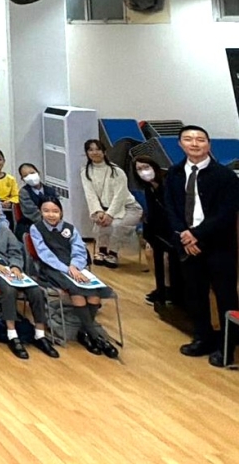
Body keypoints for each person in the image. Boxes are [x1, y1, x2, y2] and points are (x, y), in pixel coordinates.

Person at [162, 125, 239, 367]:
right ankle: (202, 337)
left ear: (209, 144)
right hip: (187, 245)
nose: (194, 144)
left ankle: (227, 347)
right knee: (194, 294)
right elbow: (171, 208)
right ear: (180, 144)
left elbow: (226, 212)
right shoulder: (174, 173)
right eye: (188, 139)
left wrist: (196, 235)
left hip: (218, 245)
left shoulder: (225, 176)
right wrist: (184, 237)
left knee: (226, 296)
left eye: (200, 140)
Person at [0, 194, 58, 359]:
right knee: (8, 290)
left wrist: (15, 266)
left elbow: (16, 251)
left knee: (35, 290)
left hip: (9, 269)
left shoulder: (5, 230)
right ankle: (12, 334)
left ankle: (40, 334)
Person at [28, 198, 120, 359]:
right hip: (52, 268)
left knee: (94, 294)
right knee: (77, 293)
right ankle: (96, 337)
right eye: (46, 211)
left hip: (75, 267)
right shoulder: (36, 228)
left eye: (55, 211)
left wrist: (75, 266)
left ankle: (85, 332)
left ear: (61, 212)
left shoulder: (70, 228)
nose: (51, 215)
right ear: (40, 212)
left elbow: (79, 249)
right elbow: (45, 254)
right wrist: (67, 269)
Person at [79, 139, 142, 268]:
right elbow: (90, 194)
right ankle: (102, 251)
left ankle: (113, 253)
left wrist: (110, 214)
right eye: (91, 150)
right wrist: (99, 212)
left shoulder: (116, 171)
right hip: (105, 209)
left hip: (129, 208)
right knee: (100, 224)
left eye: (98, 149)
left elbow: (120, 196)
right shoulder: (85, 171)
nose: (95, 152)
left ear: (104, 152)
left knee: (116, 225)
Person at [131, 155, 176, 306]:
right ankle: (161, 286)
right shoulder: (148, 188)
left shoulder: (168, 184)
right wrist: (149, 237)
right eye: (139, 169)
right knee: (150, 252)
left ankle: (170, 290)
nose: (143, 171)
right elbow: (152, 214)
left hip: (173, 230)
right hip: (159, 230)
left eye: (146, 167)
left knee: (167, 258)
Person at [16, 163, 58, 235]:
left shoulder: (51, 190)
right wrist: (48, 224)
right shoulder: (24, 192)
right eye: (26, 176)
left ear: (38, 173)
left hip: (52, 223)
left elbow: (58, 209)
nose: (30, 177)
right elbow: (32, 213)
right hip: (30, 225)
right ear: (23, 179)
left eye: (32, 173)